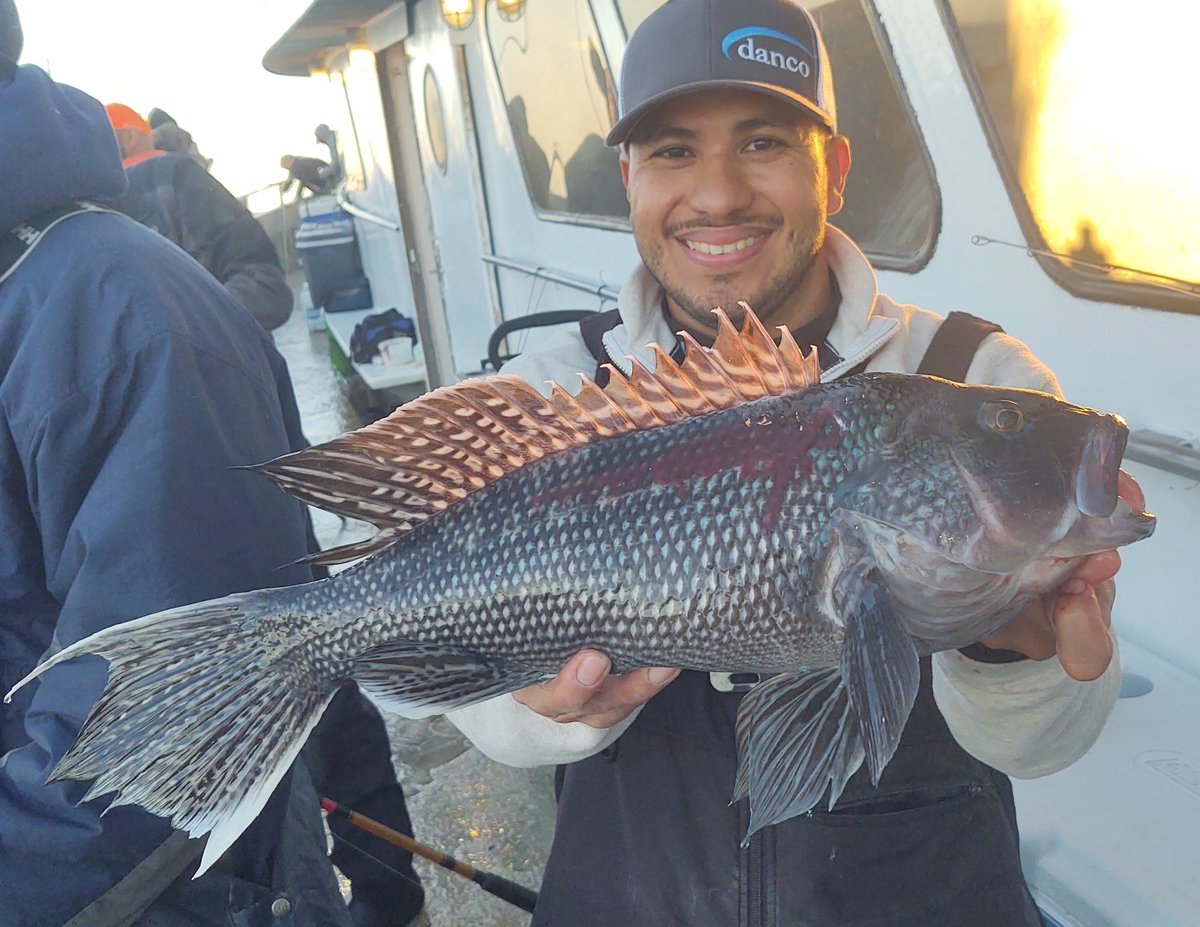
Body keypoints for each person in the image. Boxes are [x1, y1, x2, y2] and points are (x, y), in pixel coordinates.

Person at [446, 2, 1139, 925]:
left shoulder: (973, 376)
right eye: (672, 151)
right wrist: (536, 706)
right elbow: (474, 720)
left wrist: (1010, 657)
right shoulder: (559, 395)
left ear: (836, 170)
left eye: (765, 140)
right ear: (629, 180)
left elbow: (1046, 748)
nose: (720, 193)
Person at [0, 3, 426, 924]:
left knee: (320, 679)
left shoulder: (126, 289)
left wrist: (213, 339)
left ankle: (392, 896)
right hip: (196, 482)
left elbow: (260, 283)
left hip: (205, 467)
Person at [105, 102, 295, 332]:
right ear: (133, 137)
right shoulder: (180, 175)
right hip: (223, 354)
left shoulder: (86, 210)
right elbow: (265, 287)